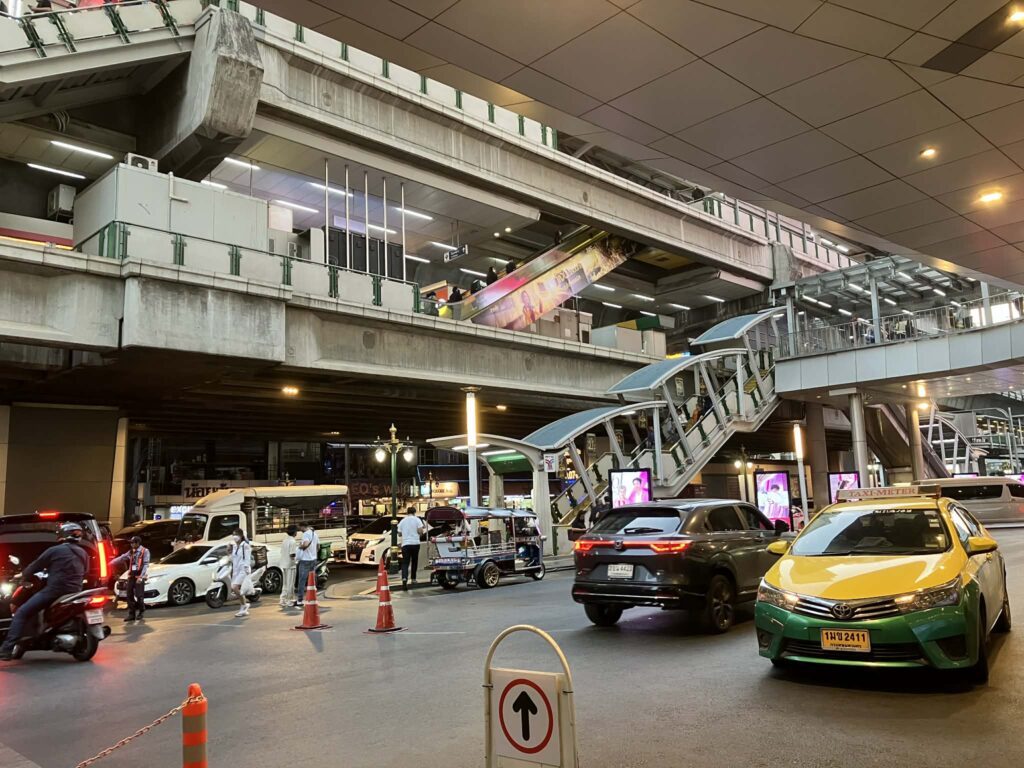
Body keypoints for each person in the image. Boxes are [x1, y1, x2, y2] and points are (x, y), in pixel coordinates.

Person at [0, 523, 89, 660]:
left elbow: (35, 566)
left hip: (55, 590)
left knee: (21, 613)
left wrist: (22, 574)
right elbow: (86, 571)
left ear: (62, 535)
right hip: (75, 590)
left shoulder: (54, 550)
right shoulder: (83, 553)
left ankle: (6, 649)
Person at [109, 536, 150, 622]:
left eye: (133, 543)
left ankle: (141, 611)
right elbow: (122, 557)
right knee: (129, 595)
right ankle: (132, 614)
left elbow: (146, 565)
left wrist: (141, 577)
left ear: (138, 543)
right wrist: (111, 563)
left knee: (139, 596)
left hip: (139, 576)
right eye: (131, 543)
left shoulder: (145, 551)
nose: (131, 544)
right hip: (131, 576)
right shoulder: (131, 551)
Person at [397, 506, 424, 590]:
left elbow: (399, 533)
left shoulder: (402, 521)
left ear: (407, 512)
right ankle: (413, 579)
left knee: (405, 562)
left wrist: (405, 533)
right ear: (414, 512)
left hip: (405, 544)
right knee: (414, 561)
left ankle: (404, 579)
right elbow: (420, 531)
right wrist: (419, 533)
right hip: (415, 543)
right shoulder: (417, 520)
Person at [228, 528, 252, 618]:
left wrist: (246, 569)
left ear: (241, 536)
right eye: (233, 535)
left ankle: (243, 605)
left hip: (243, 570)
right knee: (233, 588)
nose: (235, 537)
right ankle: (244, 606)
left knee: (235, 587)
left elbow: (247, 558)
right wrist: (228, 551)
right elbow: (233, 558)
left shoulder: (245, 545)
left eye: (236, 535)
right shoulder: (234, 546)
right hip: (236, 570)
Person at [294, 521, 319, 606]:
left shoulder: (305, 534)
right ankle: (313, 598)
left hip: (305, 560)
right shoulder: (314, 534)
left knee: (302, 580)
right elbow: (318, 546)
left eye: (299, 527)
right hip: (313, 559)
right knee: (312, 580)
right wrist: (313, 553)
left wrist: (300, 546)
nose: (299, 529)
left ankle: (300, 600)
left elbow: (305, 544)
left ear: (302, 526)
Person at [278, 525, 298, 608]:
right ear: (294, 532)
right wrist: (296, 560)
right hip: (290, 565)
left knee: (285, 584)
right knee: (290, 584)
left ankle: (282, 599)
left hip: (283, 564)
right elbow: (292, 554)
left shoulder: (285, 540)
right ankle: (290, 600)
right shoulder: (293, 541)